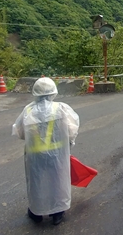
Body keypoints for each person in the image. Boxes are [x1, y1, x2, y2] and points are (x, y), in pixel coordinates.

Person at [12, 77, 80, 225]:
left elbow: (20, 133)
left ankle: (36, 213)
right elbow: (72, 129)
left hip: (35, 155)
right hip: (57, 154)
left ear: (35, 93)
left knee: (37, 183)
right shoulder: (61, 108)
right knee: (57, 181)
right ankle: (57, 213)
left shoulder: (28, 110)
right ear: (53, 92)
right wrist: (70, 142)